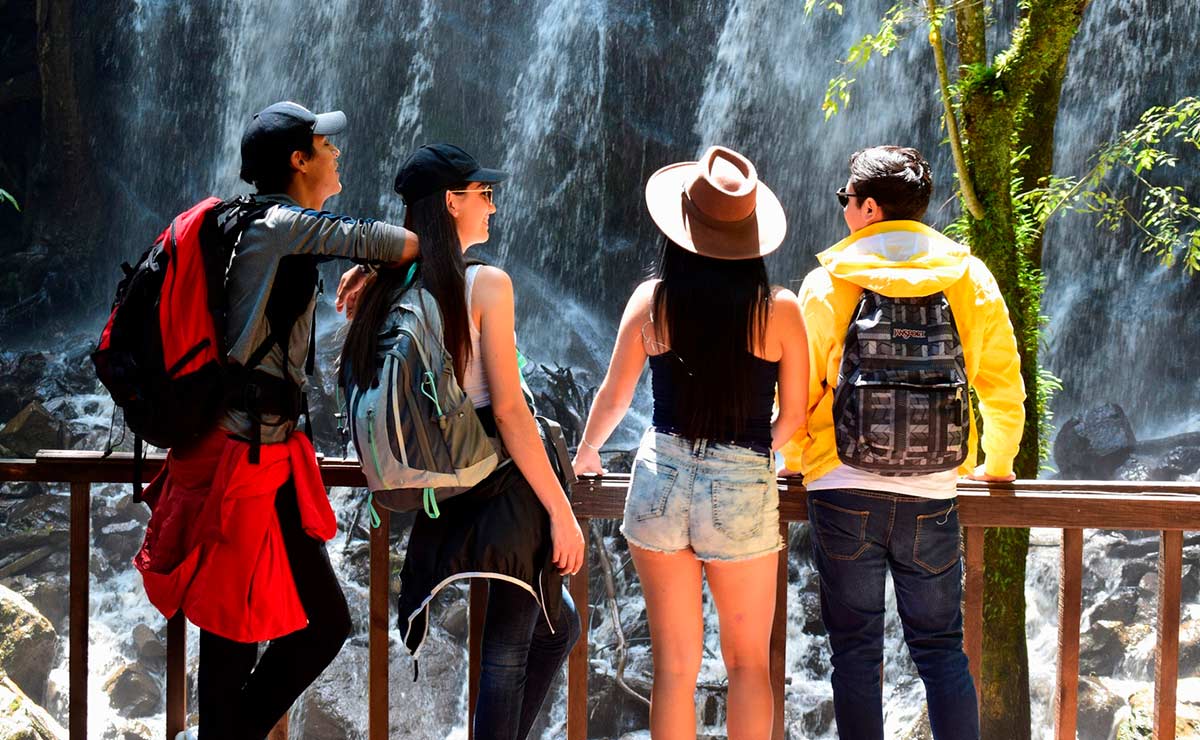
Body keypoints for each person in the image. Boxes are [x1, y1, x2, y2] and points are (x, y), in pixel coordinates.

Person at [133, 101, 419, 740]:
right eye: (326, 145)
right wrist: (380, 263)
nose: (336, 153)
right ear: (298, 161)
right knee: (277, 629)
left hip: (252, 453)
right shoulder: (282, 224)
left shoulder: (245, 226)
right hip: (243, 459)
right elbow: (400, 243)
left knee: (244, 632)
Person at [339, 143, 585, 740]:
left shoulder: (388, 289)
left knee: (558, 627)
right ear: (452, 202)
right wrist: (562, 512)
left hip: (449, 492)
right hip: (506, 492)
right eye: (484, 194)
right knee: (508, 655)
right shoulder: (487, 285)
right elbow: (509, 411)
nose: (494, 208)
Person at [781, 145, 1025, 740]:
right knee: (942, 651)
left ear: (868, 207)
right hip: (934, 489)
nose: (843, 210)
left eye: (846, 200)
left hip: (841, 488)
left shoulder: (827, 282)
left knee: (856, 653)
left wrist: (792, 465)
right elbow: (1002, 382)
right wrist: (997, 464)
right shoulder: (969, 277)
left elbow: (799, 391)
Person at [572, 146, 808, 740]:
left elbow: (614, 396)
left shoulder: (653, 301)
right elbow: (796, 417)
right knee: (749, 664)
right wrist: (755, 457)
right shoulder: (779, 310)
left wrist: (588, 450)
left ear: (681, 230)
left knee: (674, 669)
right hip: (743, 481)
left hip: (660, 476)